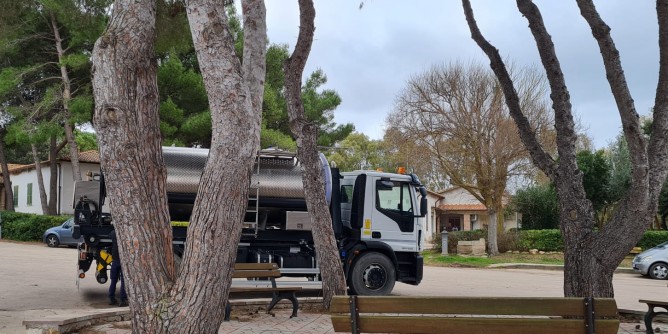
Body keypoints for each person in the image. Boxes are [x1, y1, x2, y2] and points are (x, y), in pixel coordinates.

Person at [108, 230, 128, 307]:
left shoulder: (113, 233)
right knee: (123, 281)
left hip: (115, 260)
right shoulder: (126, 232)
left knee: (113, 280)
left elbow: (109, 234)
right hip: (124, 260)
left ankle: (111, 298)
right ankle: (122, 300)